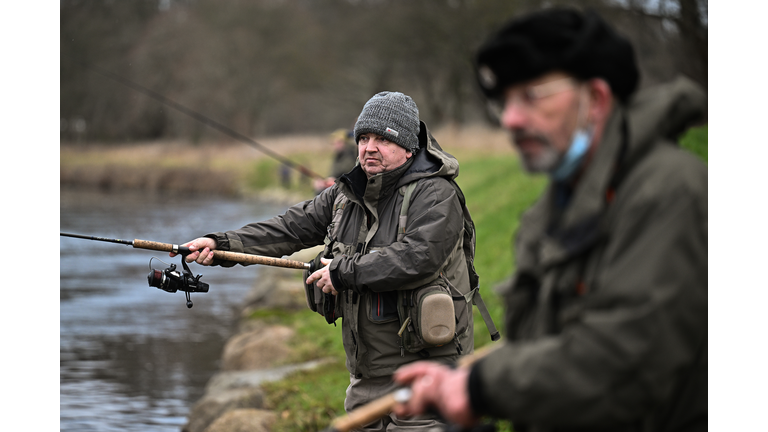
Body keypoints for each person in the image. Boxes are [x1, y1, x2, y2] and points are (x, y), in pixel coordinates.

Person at [392, 8, 707, 432]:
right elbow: (556, 345)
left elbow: (624, 360)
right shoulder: (556, 207)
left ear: (596, 99)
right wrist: (462, 380)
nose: (510, 119)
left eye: (533, 95)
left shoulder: (669, 190)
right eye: (505, 100)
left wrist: (484, 387)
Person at [174, 91, 481, 431]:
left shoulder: (437, 193)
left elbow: (419, 256)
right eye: (363, 138)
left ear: (408, 147)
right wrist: (221, 243)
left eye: (382, 139)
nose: (369, 148)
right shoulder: (346, 193)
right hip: (366, 378)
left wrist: (343, 272)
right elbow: (290, 228)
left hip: (427, 373)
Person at [314, 128, 359, 194]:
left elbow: (348, 177)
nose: (335, 145)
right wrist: (324, 182)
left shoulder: (351, 156)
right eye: (334, 143)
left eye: (338, 142)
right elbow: (333, 175)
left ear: (345, 143)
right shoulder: (337, 156)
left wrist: (334, 182)